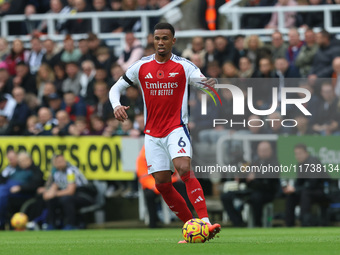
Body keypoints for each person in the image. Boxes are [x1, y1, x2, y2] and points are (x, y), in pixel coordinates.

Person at [109, 22, 221, 243]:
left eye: (165, 38)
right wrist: (116, 105)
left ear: (173, 41)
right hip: (152, 134)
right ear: (153, 40)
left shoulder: (183, 66)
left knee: (183, 169)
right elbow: (116, 88)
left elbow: (201, 82)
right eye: (157, 38)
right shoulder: (141, 66)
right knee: (162, 184)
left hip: (176, 128)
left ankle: (206, 222)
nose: (161, 42)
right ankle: (193, 227)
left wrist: (209, 85)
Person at [220, 142, 279, 227]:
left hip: (266, 192)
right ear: (258, 151)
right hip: (250, 190)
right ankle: (238, 222)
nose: (263, 152)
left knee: (256, 198)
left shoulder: (274, 163)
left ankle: (257, 224)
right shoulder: (255, 163)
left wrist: (257, 175)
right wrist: (241, 178)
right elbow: (247, 176)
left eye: (265, 150)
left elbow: (270, 179)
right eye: (261, 150)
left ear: (271, 151)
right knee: (226, 196)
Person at [43, 154, 95, 230]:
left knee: (66, 199)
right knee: (51, 200)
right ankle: (51, 224)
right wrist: (48, 194)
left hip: (84, 195)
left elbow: (71, 191)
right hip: (72, 196)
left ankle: (71, 224)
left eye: (62, 161)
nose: (60, 163)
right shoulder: (57, 173)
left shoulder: (70, 171)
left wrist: (54, 194)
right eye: (57, 162)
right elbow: (54, 188)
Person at [282, 144, 330, 226]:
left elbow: (313, 183)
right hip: (308, 190)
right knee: (291, 196)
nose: (298, 156)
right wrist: (292, 189)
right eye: (296, 154)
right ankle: (289, 224)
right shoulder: (300, 165)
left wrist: (296, 189)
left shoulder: (313, 162)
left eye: (300, 153)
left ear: (306, 153)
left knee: (305, 194)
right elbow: (299, 182)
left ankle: (305, 222)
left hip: (321, 191)